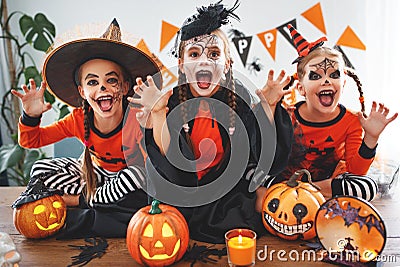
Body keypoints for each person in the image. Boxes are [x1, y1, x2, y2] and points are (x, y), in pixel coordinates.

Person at [131, 1, 293, 243]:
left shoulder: (238, 98)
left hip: (225, 193)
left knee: (264, 198)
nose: (204, 61)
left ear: (226, 64)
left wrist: (267, 107)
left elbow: (258, 150)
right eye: (194, 54)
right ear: (182, 65)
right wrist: (159, 112)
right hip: (182, 192)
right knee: (164, 217)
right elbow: (166, 158)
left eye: (214, 54)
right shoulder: (173, 99)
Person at [11, 19, 161, 238]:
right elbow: (30, 142)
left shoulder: (137, 117)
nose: (102, 87)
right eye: (92, 82)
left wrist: (156, 119)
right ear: (82, 92)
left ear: (125, 87)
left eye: (111, 80)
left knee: (137, 175)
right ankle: (92, 202)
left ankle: (78, 202)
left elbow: (152, 167)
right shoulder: (79, 119)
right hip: (94, 176)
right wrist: (31, 116)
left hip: (127, 184)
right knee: (40, 168)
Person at [256, 24, 398, 209]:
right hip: (286, 181)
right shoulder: (287, 117)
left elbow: (356, 171)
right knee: (255, 182)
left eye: (334, 75)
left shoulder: (352, 120)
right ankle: (300, 197)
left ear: (343, 83)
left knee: (367, 187)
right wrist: (267, 107)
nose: (326, 80)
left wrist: (371, 138)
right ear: (301, 88)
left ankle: (302, 195)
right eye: (315, 76)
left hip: (327, 184)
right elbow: (264, 154)